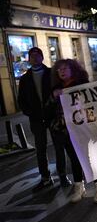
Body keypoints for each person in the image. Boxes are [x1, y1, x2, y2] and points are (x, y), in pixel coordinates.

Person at [49, 59, 97, 203]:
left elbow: (91, 105)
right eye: (59, 69)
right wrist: (53, 97)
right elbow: (49, 109)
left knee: (91, 158)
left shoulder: (82, 86)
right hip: (66, 130)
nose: (62, 71)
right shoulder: (56, 88)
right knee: (74, 159)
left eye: (65, 68)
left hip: (84, 128)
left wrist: (93, 126)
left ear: (72, 70)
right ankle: (79, 188)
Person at [17, 47, 70, 192]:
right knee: (40, 149)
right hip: (36, 120)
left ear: (42, 57)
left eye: (37, 55)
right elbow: (21, 100)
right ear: (28, 59)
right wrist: (30, 113)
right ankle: (45, 178)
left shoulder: (52, 74)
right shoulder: (25, 79)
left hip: (53, 117)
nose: (34, 58)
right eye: (31, 56)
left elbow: (61, 92)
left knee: (59, 147)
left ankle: (63, 175)